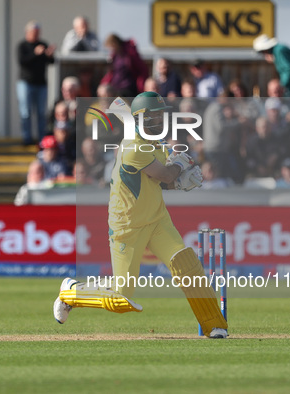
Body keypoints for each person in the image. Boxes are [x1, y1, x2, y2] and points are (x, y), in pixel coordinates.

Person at [52, 92, 227, 339]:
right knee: (122, 296)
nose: (160, 120)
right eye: (154, 116)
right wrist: (178, 167)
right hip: (127, 226)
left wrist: (178, 177)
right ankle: (71, 292)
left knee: (187, 264)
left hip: (156, 220)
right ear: (140, 119)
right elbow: (166, 175)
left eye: (161, 115)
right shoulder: (133, 148)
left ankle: (214, 326)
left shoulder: (153, 143)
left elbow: (160, 181)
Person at [17, 21, 55, 145]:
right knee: (26, 112)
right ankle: (26, 138)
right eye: (34, 32)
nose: (36, 35)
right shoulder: (22, 46)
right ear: (27, 32)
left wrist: (49, 55)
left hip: (41, 84)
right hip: (25, 83)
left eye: (38, 32)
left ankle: (41, 140)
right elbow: (22, 61)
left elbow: (51, 62)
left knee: (41, 113)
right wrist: (35, 53)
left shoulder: (42, 44)